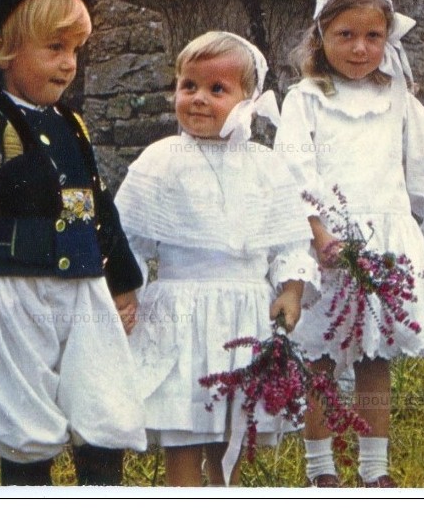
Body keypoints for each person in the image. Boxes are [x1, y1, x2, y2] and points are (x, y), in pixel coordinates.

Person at [0, 0, 146, 486]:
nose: (68, 63)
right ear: (3, 50)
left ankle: (99, 485)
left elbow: (99, 206)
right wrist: (28, 181)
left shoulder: (70, 125)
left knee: (102, 402)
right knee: (23, 415)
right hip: (13, 293)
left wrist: (121, 278)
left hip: (81, 288)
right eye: (54, 47)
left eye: (76, 50)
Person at [274, 0, 424, 488]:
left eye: (372, 37)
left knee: (375, 357)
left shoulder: (400, 101)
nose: (360, 48)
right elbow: (295, 171)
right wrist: (319, 235)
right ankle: (321, 469)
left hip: (385, 246)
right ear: (321, 37)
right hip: (326, 243)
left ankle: (375, 469)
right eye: (345, 36)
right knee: (321, 357)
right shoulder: (306, 99)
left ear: (388, 39)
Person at [114, 31, 318, 487]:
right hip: (179, 312)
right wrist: (126, 291)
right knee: (184, 425)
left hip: (246, 313)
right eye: (189, 87)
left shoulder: (265, 165)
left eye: (217, 90)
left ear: (248, 99)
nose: (199, 99)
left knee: (235, 426)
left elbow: (288, 241)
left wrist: (291, 288)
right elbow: (127, 237)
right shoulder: (160, 160)